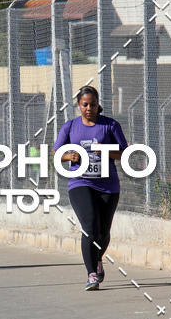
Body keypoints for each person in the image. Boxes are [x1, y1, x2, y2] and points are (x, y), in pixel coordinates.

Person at [53, 86, 128, 291]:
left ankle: (97, 258)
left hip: (107, 185)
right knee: (90, 226)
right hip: (80, 182)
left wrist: (105, 150)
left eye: (92, 104)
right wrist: (69, 156)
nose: (89, 108)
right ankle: (91, 274)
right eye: (85, 105)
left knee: (103, 232)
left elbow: (125, 154)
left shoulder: (110, 125)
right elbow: (56, 152)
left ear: (98, 105)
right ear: (79, 106)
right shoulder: (70, 127)